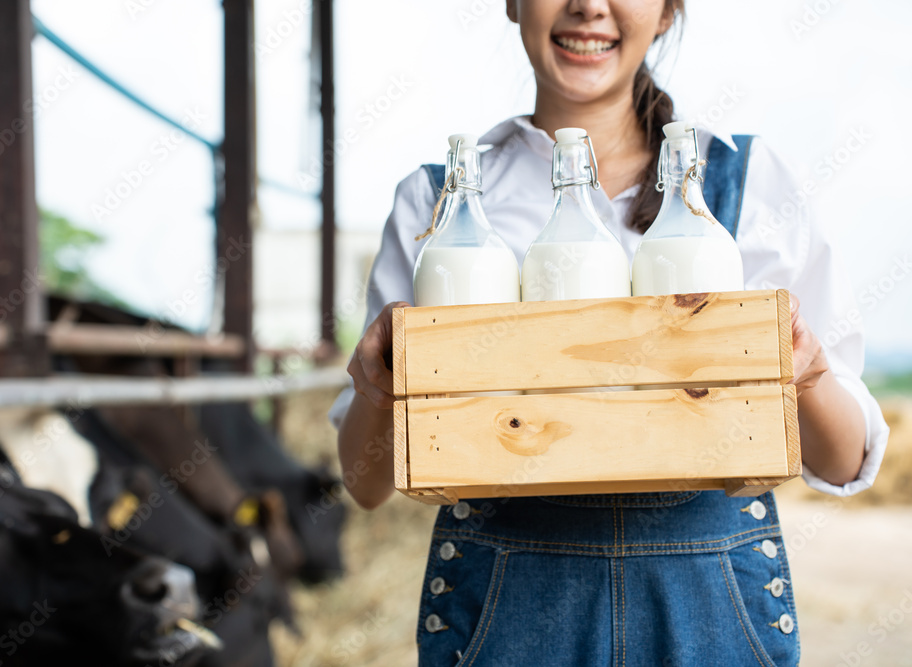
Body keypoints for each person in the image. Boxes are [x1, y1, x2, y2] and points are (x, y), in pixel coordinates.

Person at [328, 1, 890, 664]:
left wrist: (809, 372)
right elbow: (365, 483)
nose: (589, 5)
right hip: (510, 603)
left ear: (668, 12)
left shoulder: (749, 183)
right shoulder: (435, 207)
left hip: (707, 602)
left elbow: (845, 459)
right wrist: (377, 388)